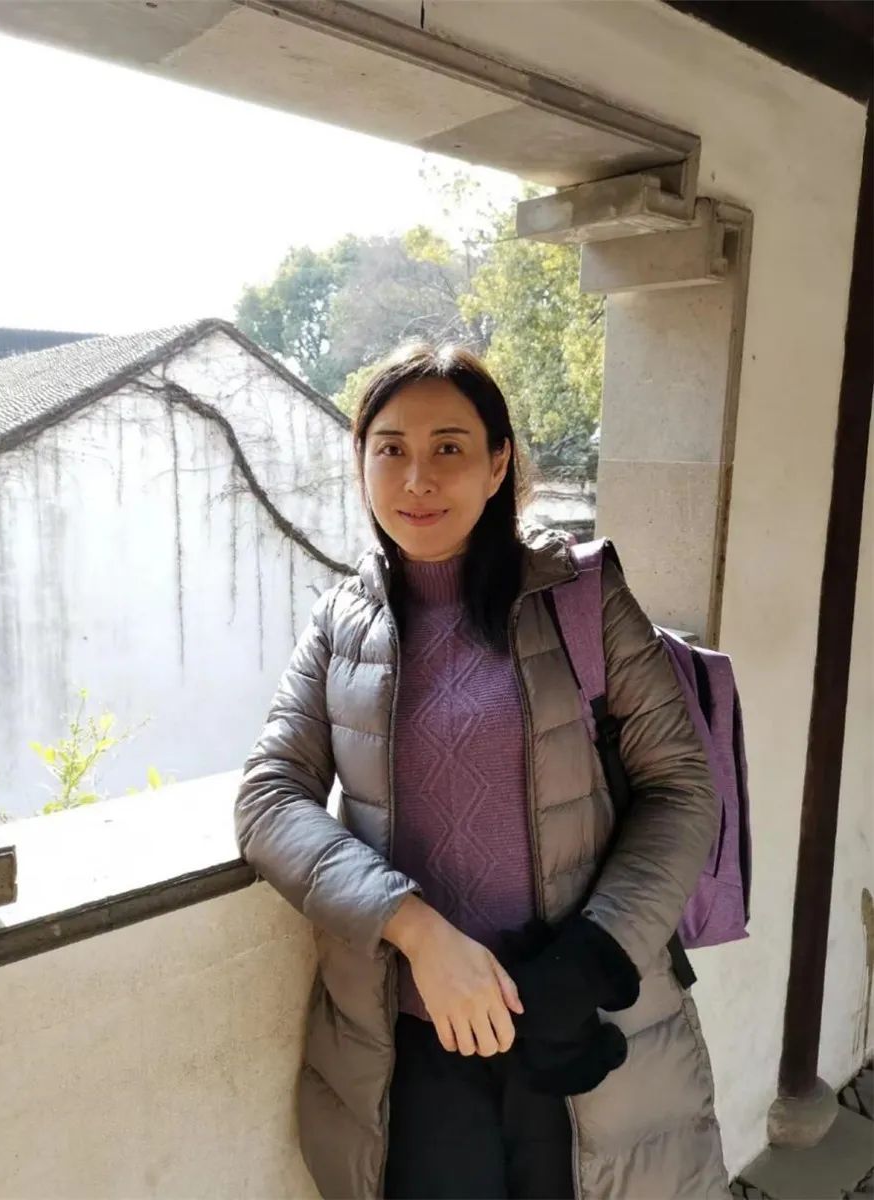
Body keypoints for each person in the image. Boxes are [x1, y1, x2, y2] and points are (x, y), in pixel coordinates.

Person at [234, 343, 730, 1200]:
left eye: (449, 447)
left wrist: (593, 955)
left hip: (578, 1018)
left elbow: (680, 786)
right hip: (413, 1044)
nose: (417, 478)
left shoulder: (580, 598)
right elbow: (269, 796)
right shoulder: (339, 624)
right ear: (362, 463)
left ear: (499, 463)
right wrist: (414, 929)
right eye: (390, 448)